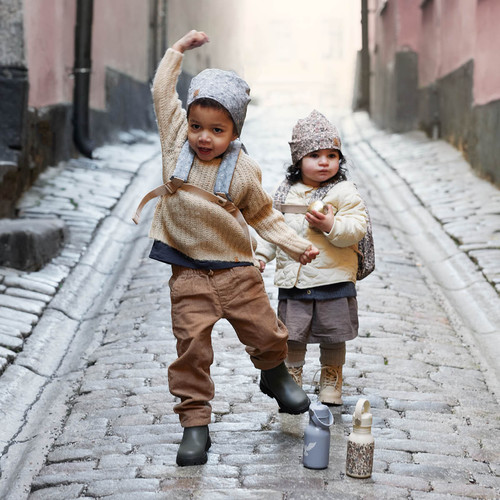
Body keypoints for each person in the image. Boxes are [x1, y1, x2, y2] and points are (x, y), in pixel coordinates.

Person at [139, 30, 319, 467]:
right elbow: (164, 95)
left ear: (235, 131)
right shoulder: (176, 142)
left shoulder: (243, 170)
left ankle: (274, 374)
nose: (204, 137)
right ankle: (195, 423)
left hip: (237, 268)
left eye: (217, 130)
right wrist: (176, 52)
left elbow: (264, 215)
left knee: (265, 330)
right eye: (198, 127)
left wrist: (295, 247)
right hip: (188, 273)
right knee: (192, 348)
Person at [256, 110, 368, 406]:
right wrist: (261, 255)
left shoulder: (344, 192)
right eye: (315, 155)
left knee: (334, 333)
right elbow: (272, 229)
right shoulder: (284, 192)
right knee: (292, 335)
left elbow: (356, 228)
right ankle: (292, 377)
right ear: (298, 159)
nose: (324, 162)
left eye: (332, 155)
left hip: (334, 278)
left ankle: (332, 376)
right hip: (294, 280)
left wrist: (330, 225)